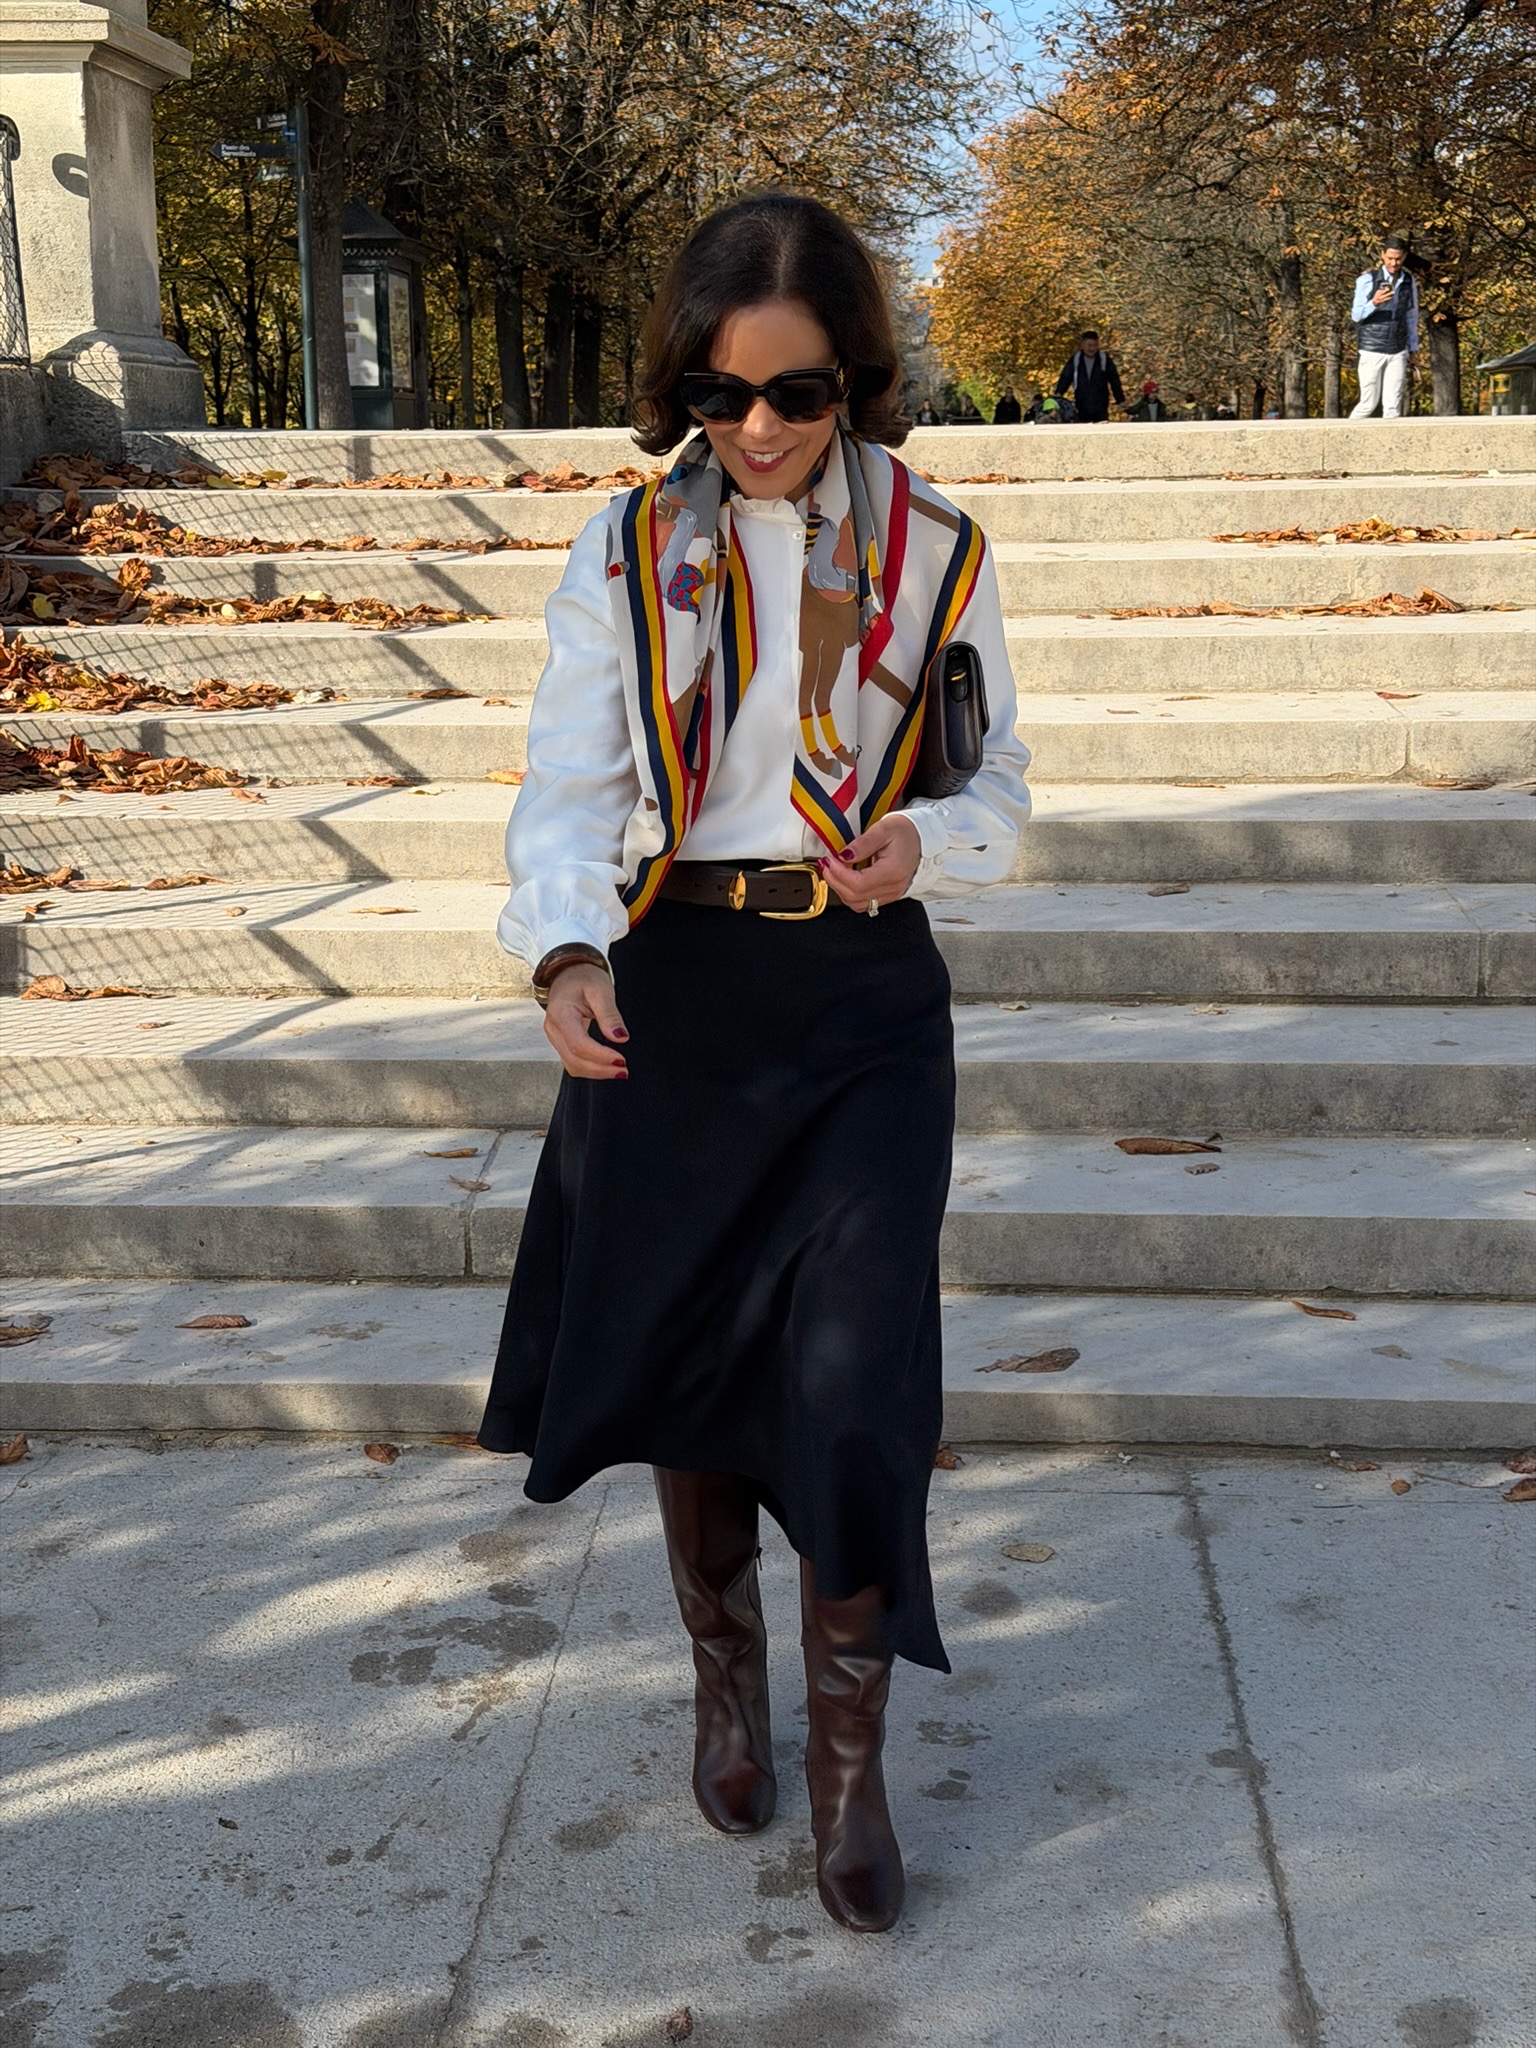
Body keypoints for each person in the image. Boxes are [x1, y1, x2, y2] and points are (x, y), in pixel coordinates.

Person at [476, 191, 1030, 1936]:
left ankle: (853, 1761)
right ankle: (727, 1677)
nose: (763, 431)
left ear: (854, 379)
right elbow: (567, 786)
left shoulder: (938, 547)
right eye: (723, 399)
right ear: (683, 394)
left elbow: (998, 782)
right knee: (688, 1364)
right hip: (679, 986)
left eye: (796, 394)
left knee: (858, 1379)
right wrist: (563, 947)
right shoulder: (625, 551)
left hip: (862, 997)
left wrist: (931, 850)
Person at [1350, 236, 1419, 418]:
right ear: (1382, 255)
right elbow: (1356, 315)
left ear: (1404, 257)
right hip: (1372, 348)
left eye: (1398, 258)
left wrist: (1413, 348)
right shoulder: (1367, 280)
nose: (1394, 263)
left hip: (1398, 349)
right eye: (1390, 258)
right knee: (1368, 404)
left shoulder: (1408, 281)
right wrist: (1374, 302)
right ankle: (1345, 438)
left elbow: (1411, 315)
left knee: (1392, 407)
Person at [1055, 330, 1124, 421]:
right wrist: (1059, 392)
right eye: (1089, 345)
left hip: (1101, 403)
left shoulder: (1103, 359)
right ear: (1083, 345)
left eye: (1095, 345)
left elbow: (1114, 380)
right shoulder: (1076, 359)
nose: (1092, 349)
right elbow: (1066, 376)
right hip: (1081, 402)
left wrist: (1120, 399)